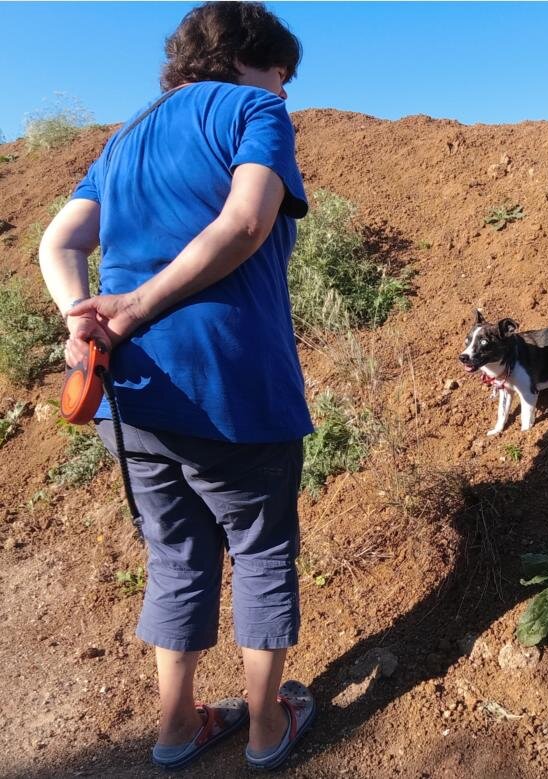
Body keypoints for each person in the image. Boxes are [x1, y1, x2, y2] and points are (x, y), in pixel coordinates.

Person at [39, 2, 316, 770]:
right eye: (281, 72)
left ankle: (175, 729)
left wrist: (83, 317)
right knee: (260, 551)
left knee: (177, 554)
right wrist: (136, 305)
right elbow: (246, 223)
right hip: (230, 385)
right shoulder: (252, 109)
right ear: (247, 59)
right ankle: (266, 729)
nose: (284, 91)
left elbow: (58, 239)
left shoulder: (125, 136)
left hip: (130, 394)